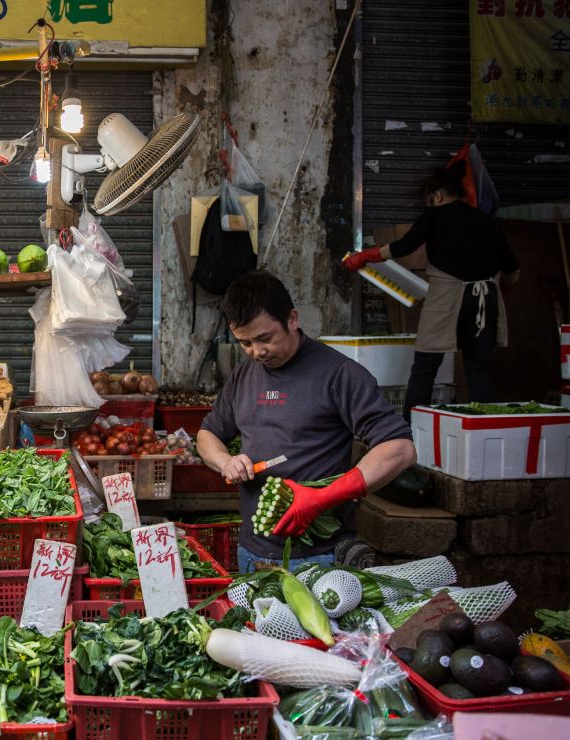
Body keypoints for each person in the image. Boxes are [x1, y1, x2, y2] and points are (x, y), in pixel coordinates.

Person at [196, 272, 416, 572]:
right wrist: (225, 461)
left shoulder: (339, 374)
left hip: (319, 557)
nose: (256, 352)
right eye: (244, 342)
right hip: (251, 552)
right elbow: (207, 434)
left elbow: (400, 449)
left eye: (265, 338)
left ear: (292, 319)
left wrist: (322, 497)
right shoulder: (244, 374)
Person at [343, 163, 519, 418]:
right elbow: (512, 267)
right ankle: (484, 426)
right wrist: (505, 288)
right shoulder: (488, 221)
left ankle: (410, 429)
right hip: (485, 298)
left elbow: (403, 246)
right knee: (478, 366)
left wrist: (366, 256)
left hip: (447, 296)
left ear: (437, 196)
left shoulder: (434, 216)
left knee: (426, 364)